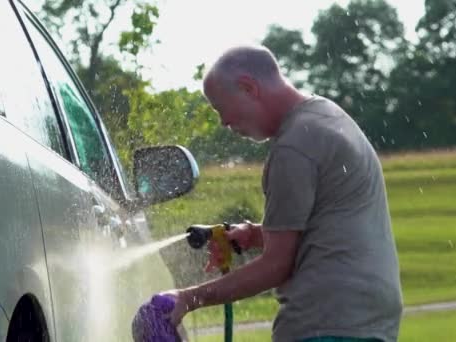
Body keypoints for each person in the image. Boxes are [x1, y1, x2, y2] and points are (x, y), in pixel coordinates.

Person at [162, 45, 403, 342]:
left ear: (248, 88)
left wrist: (188, 299)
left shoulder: (294, 147)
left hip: (325, 324)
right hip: (366, 320)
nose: (223, 122)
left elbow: (276, 266)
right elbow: (323, 229)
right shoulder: (327, 116)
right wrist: (255, 235)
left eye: (220, 108)